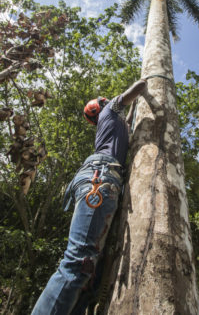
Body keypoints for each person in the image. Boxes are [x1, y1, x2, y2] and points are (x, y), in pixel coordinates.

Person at [32, 79, 146, 315]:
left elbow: (130, 113)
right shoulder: (111, 109)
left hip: (100, 177)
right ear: (103, 105)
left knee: (91, 278)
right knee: (79, 263)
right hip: (100, 177)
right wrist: (151, 80)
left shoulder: (114, 124)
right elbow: (140, 85)